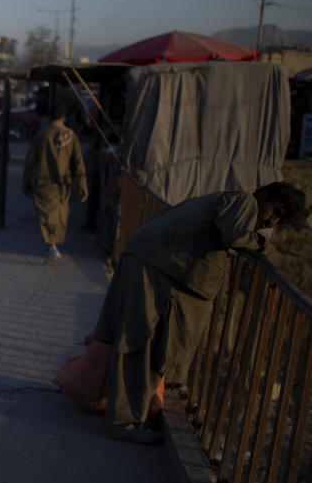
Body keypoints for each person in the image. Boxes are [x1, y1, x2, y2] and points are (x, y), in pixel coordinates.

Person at [95, 182, 307, 444]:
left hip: (156, 263)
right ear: (264, 195)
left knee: (148, 342)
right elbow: (236, 236)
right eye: (274, 211)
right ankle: (122, 423)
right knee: (140, 341)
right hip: (153, 265)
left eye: (278, 220)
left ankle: (129, 416)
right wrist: (261, 242)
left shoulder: (228, 200)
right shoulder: (244, 202)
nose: (270, 220)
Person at [22, 102, 87, 264]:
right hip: (63, 184)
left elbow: (30, 162)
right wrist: (82, 185)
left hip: (43, 183)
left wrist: (26, 183)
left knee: (45, 216)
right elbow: (78, 162)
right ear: (65, 117)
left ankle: (51, 247)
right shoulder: (71, 137)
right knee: (59, 214)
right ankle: (54, 246)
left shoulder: (41, 136)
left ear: (49, 117)